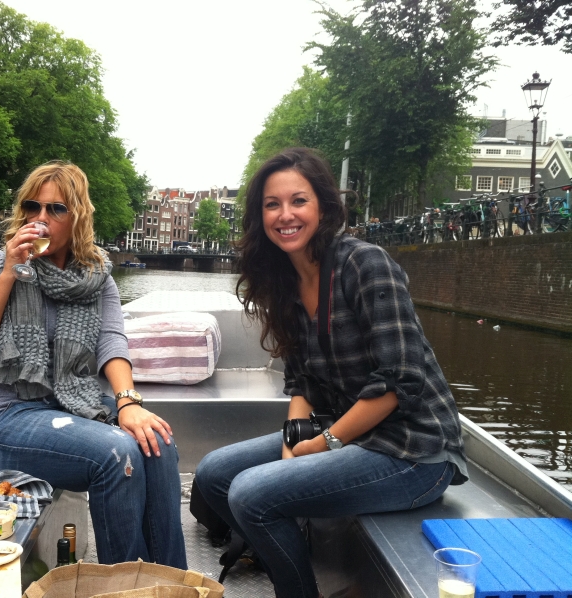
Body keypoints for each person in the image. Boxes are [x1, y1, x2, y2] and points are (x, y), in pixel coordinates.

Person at [195, 148, 467, 598]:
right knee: (214, 474)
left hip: (414, 451)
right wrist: (292, 441)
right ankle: (279, 545)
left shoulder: (365, 264)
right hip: (352, 436)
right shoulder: (284, 281)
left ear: (323, 206)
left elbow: (402, 380)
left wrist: (322, 445)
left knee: (249, 494)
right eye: (271, 204)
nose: (285, 215)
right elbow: (301, 381)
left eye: (298, 201)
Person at [0, 160, 186, 568]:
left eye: (56, 209)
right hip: (6, 415)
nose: (40, 219)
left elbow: (112, 341)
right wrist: (10, 272)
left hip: (72, 402)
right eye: (32, 207)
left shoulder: (98, 278)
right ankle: (123, 590)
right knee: (117, 452)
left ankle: (169, 582)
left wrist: (128, 403)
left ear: (77, 217)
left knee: (158, 443)